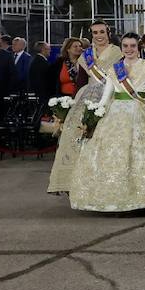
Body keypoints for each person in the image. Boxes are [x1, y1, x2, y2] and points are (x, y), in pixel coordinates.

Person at [69, 33, 145, 213]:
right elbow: (106, 97)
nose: (129, 49)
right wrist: (94, 118)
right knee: (109, 153)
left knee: (136, 155)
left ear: (139, 47)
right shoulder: (115, 69)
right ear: (121, 48)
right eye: (125, 46)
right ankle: (112, 197)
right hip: (114, 113)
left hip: (139, 111)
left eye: (133, 46)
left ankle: (138, 199)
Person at [46, 23, 120, 195]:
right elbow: (81, 80)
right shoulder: (86, 55)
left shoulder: (117, 52)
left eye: (102, 31)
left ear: (108, 32)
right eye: (95, 32)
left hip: (111, 95)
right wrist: (73, 103)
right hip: (88, 96)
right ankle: (74, 181)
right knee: (75, 135)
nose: (99, 35)